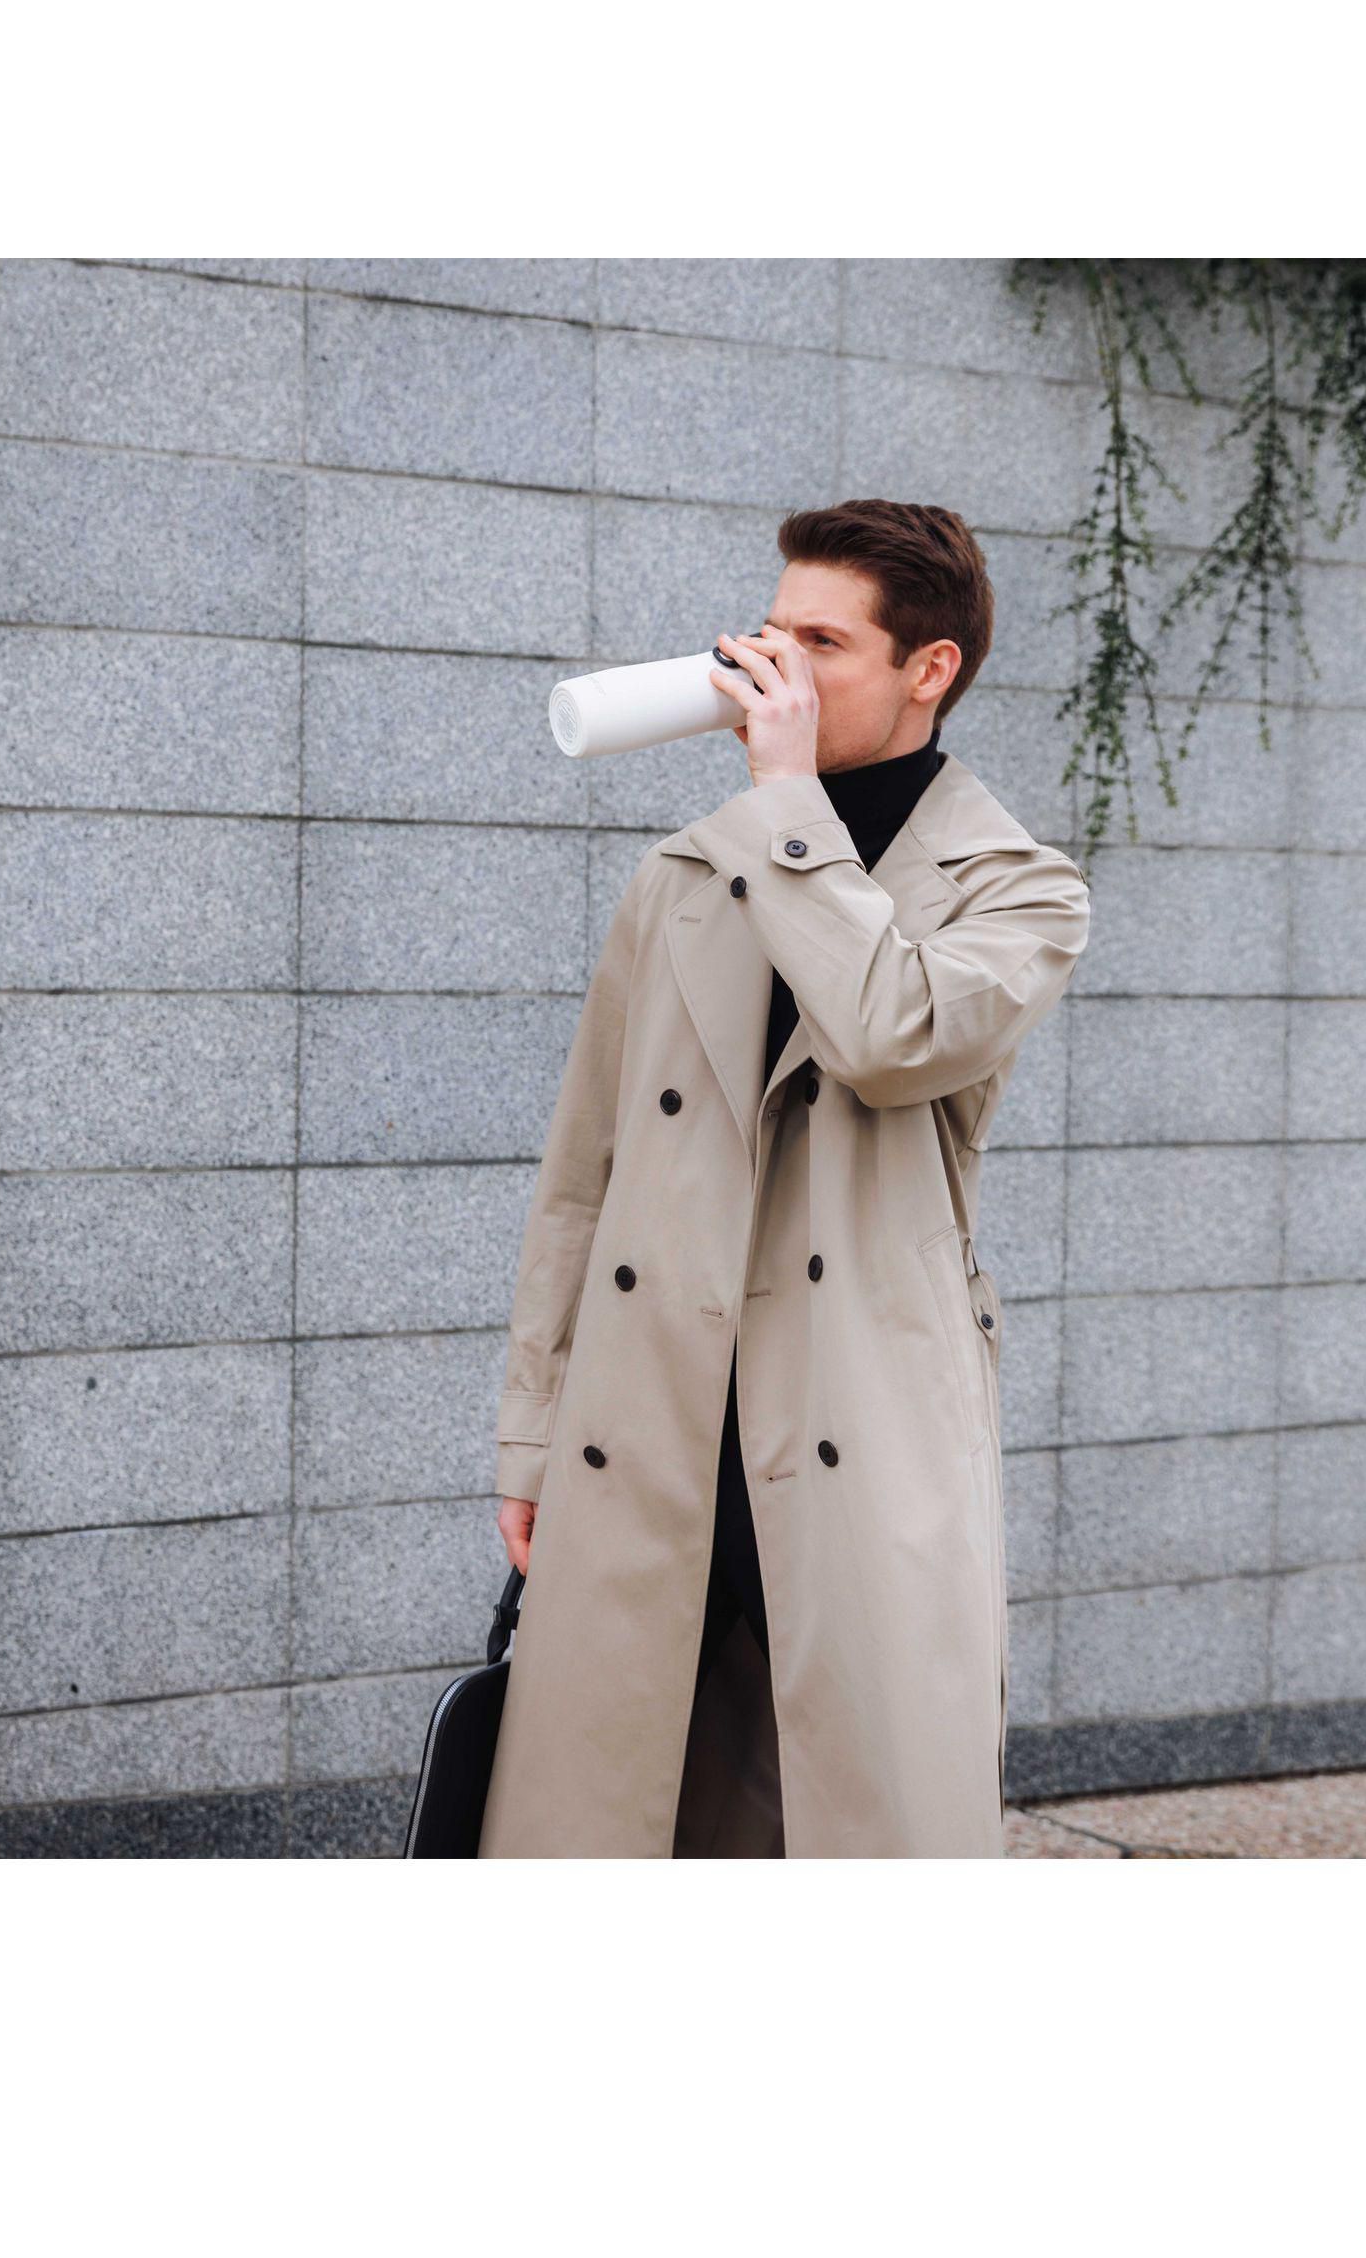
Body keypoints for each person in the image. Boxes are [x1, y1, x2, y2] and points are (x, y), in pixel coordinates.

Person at [476, 499, 1090, 1858]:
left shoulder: (1021, 890)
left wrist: (788, 804)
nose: (772, 669)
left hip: (857, 1417)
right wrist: (532, 1432)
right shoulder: (682, 879)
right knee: (616, 1818)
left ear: (929, 669)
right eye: (770, 632)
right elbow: (583, 1175)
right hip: (651, 1416)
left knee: (853, 1815)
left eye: (822, 642)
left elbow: (889, 1035)